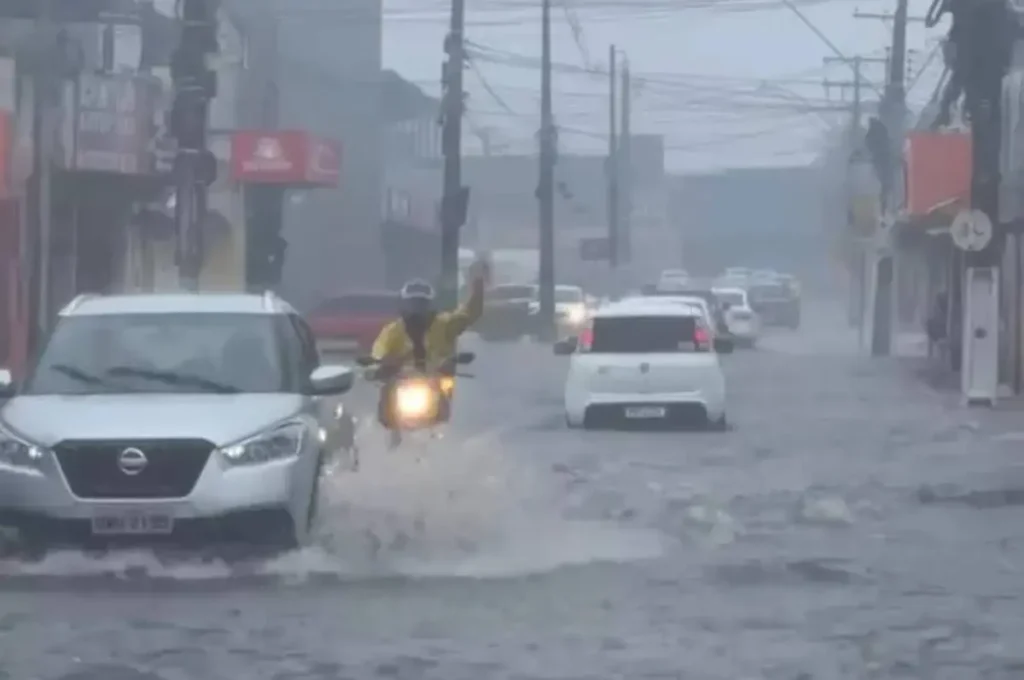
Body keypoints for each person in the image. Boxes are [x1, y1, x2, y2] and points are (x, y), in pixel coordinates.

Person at [369, 259, 489, 444]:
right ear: (404, 305)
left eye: (421, 304)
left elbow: (469, 314)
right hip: (402, 383)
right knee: (384, 396)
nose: (416, 309)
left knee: (450, 396)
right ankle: (384, 438)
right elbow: (379, 352)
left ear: (429, 305)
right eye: (413, 304)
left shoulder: (444, 324)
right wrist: (382, 363)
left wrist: (478, 288)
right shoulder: (392, 331)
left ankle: (448, 439)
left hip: (434, 381)